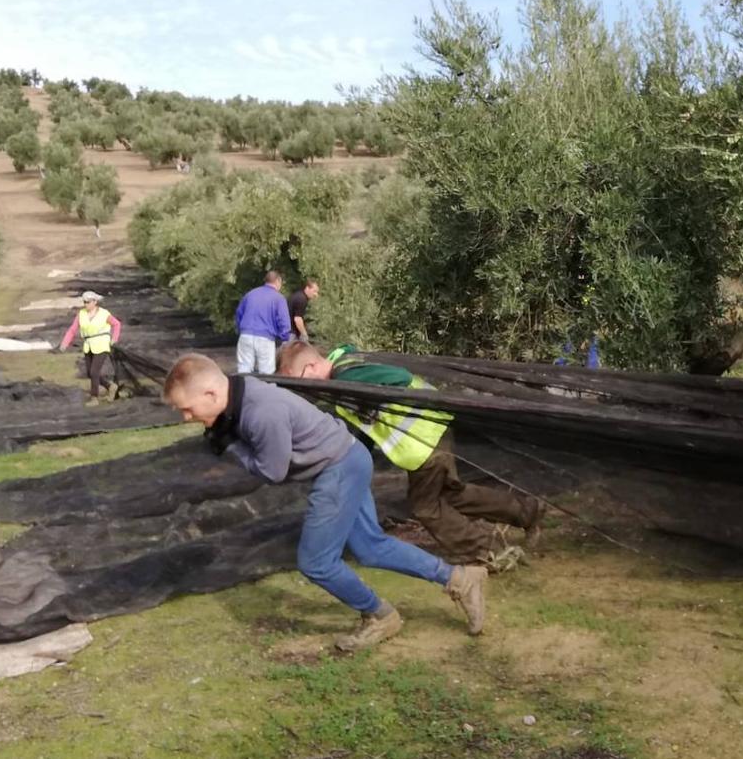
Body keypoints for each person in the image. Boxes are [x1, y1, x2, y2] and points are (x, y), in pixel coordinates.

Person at [162, 353, 488, 651]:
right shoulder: (240, 394)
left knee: (316, 562)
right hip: (348, 457)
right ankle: (461, 578)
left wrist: (231, 446)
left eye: (187, 408)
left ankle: (380, 615)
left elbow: (273, 472)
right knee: (371, 547)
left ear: (211, 394)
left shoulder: (260, 412)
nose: (185, 417)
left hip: (339, 467)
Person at [276, 342, 545, 564]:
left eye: (299, 382)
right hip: (431, 432)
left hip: (423, 443)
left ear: (310, 367)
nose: (305, 391)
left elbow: (399, 378)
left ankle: (489, 551)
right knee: (453, 495)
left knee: (426, 507)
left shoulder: (347, 376)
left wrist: (372, 396)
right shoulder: (345, 367)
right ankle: (528, 512)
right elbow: (367, 425)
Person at [58, 290, 121, 406]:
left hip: (102, 344)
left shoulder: (104, 313)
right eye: (84, 302)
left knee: (94, 371)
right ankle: (111, 386)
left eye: (88, 302)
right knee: (89, 372)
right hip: (88, 345)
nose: (85, 304)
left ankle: (94, 398)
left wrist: (114, 338)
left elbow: (116, 324)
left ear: (95, 302)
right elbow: (72, 330)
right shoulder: (81, 314)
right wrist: (64, 343)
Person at [234, 271, 290, 375]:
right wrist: (284, 338)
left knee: (243, 370)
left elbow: (239, 314)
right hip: (265, 338)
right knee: (266, 373)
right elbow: (283, 321)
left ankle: (243, 390)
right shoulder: (278, 298)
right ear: (278, 281)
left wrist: (240, 329)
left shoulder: (250, 294)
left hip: (246, 335)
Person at [287, 279, 320, 343]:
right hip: (290, 333)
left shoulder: (299, 295)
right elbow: (297, 319)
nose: (316, 295)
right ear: (307, 288)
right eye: (314, 291)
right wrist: (304, 334)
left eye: (317, 292)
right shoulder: (302, 299)